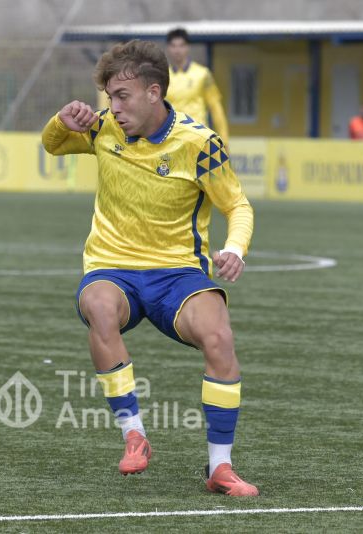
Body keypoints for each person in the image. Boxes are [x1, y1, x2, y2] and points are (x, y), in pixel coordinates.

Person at [42, 40, 258, 496]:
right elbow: (52, 145)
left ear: (154, 92)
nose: (113, 108)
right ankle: (134, 435)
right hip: (111, 267)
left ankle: (220, 467)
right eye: (108, 98)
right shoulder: (102, 129)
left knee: (219, 336)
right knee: (100, 309)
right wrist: (62, 121)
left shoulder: (199, 144)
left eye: (122, 96)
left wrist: (235, 249)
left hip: (177, 273)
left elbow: (236, 205)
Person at [165, 28, 229, 142]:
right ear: (168, 48)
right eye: (173, 46)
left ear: (187, 47)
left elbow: (216, 108)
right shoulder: (164, 76)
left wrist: (224, 140)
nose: (177, 50)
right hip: (172, 138)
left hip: (197, 137)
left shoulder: (203, 74)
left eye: (181, 45)